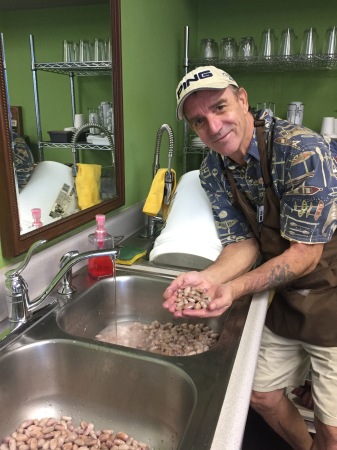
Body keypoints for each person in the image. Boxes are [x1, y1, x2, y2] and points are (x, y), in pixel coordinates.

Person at [163, 65, 337, 450]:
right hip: (289, 295)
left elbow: (306, 255)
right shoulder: (213, 170)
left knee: (333, 428)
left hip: (332, 288)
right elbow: (243, 244)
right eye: (199, 120)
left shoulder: (301, 150)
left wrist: (234, 288)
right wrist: (209, 279)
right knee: (260, 395)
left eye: (220, 106)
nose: (214, 125)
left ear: (242, 99)